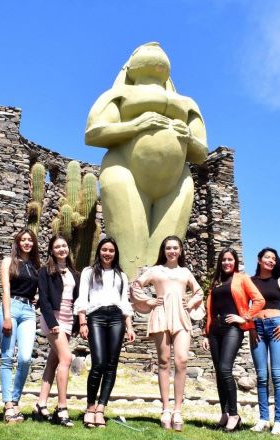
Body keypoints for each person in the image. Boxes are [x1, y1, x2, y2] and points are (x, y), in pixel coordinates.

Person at [84, 42, 208, 275]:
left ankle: (162, 299)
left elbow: (201, 152)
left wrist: (188, 137)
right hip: (125, 169)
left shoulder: (187, 102)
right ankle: (131, 297)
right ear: (129, 67)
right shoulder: (119, 94)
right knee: (131, 252)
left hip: (177, 179)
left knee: (167, 253)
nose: (154, 46)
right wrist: (135, 125)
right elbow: (93, 133)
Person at [131, 235, 203, 431]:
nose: (172, 251)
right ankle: (165, 409)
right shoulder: (155, 270)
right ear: (164, 251)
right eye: (168, 248)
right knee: (164, 362)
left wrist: (189, 304)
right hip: (161, 314)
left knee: (181, 361)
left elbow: (199, 292)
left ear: (180, 251)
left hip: (181, 316)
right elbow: (135, 285)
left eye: (175, 248)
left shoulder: (185, 272)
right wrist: (149, 301)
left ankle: (178, 410)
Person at [200, 248, 264, 432]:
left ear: (235, 262)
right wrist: (206, 333)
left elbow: (258, 300)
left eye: (230, 259)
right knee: (219, 373)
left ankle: (235, 415)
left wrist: (244, 317)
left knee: (225, 368)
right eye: (223, 260)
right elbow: (211, 310)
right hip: (214, 330)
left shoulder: (242, 279)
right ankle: (225, 414)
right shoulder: (216, 282)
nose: (227, 263)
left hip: (233, 329)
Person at [75, 237, 135, 429]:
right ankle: (90, 406)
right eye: (104, 250)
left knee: (111, 364)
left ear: (115, 253)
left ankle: (101, 408)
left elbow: (125, 302)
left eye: (111, 250)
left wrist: (129, 325)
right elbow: (82, 296)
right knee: (99, 362)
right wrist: (82, 322)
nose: (107, 253)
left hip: (117, 317)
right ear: (99, 251)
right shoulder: (89, 272)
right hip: (96, 317)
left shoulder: (121, 276)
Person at [34, 235, 80, 427]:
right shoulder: (45, 271)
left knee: (54, 361)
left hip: (69, 319)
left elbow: (77, 300)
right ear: (51, 251)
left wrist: (77, 324)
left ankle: (40, 404)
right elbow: (43, 299)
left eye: (64, 246)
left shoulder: (74, 273)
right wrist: (52, 322)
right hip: (52, 318)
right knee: (66, 359)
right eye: (57, 247)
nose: (61, 249)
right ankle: (62, 408)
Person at [0, 228, 41, 423]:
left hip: (28, 311)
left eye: (29, 240)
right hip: (11, 308)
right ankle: (8, 405)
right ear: (17, 242)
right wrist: (7, 316)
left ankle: (15, 399)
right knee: (7, 357)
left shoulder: (35, 266)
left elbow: (38, 289)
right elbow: (5, 289)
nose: (26, 243)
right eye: (23, 240)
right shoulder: (9, 261)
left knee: (25, 358)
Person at [249, 247, 280, 435]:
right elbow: (246, 307)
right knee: (261, 376)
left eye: (274, 258)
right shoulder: (250, 282)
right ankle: (263, 419)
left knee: (277, 375)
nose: (271, 260)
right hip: (256, 327)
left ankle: (278, 421)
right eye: (267, 257)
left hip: (277, 327)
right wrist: (250, 326)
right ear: (259, 260)